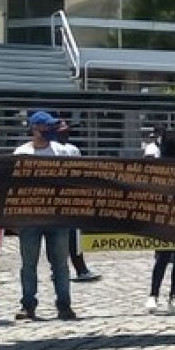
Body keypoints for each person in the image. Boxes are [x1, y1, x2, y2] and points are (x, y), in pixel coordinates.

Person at [13, 111, 77, 322]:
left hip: (57, 217)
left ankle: (64, 305)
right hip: (29, 217)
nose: (50, 131)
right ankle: (28, 305)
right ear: (35, 129)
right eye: (46, 127)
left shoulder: (63, 152)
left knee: (60, 263)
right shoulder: (21, 152)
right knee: (28, 263)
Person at [144, 129, 175, 315]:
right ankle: (168, 295)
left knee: (167, 257)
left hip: (171, 217)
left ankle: (158, 295)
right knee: (174, 258)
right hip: (174, 216)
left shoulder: (161, 165)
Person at [54, 120, 102, 284]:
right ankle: (69, 269)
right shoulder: (51, 149)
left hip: (72, 196)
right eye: (62, 130)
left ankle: (78, 268)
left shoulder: (73, 149)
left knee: (73, 236)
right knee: (60, 237)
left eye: (67, 130)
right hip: (57, 197)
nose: (66, 133)